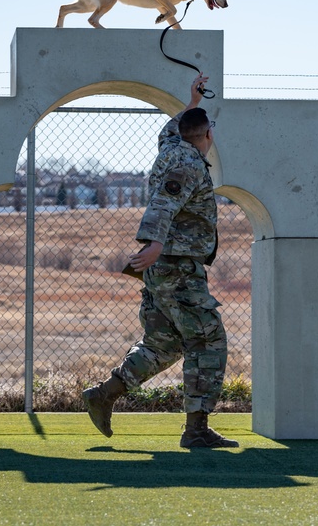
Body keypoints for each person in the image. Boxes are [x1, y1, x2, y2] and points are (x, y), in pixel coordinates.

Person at [82, 74, 238, 448]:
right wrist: (153, 244)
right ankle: (196, 430)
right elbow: (163, 204)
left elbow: (173, 127)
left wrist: (192, 100)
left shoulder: (170, 146)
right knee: (208, 340)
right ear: (208, 138)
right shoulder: (188, 164)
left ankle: (104, 394)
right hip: (175, 264)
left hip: (162, 267)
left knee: (164, 343)